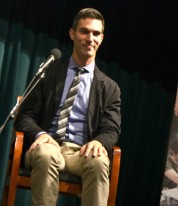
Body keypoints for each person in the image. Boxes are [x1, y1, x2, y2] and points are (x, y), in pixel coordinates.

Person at [14, 8, 121, 206]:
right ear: (72, 34)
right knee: (46, 155)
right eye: (84, 31)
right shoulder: (49, 72)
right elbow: (25, 116)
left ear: (102, 38)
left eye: (96, 33)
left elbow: (111, 128)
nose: (90, 38)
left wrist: (100, 142)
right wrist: (39, 135)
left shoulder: (110, 87)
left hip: (81, 153)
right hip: (47, 145)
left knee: (99, 163)